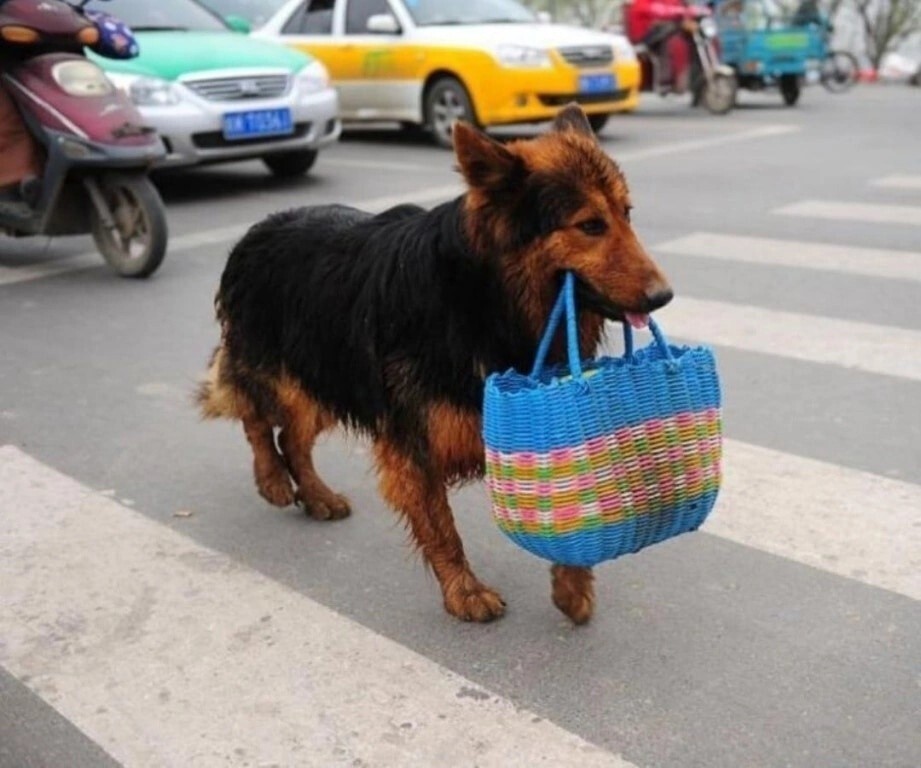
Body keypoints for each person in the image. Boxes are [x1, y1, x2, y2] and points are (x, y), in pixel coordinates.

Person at [625, 0, 699, 92]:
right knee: (674, 30)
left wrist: (693, 10)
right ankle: (668, 79)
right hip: (644, 36)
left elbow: (677, 6)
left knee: (684, 33)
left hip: (659, 32)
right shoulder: (642, 3)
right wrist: (683, 11)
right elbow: (660, 11)